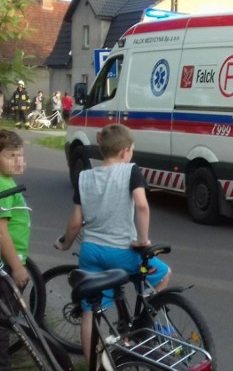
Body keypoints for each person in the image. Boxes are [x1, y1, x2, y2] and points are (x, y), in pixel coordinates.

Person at [55, 123, 171, 361]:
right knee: (163, 274)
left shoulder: (84, 177)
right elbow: (141, 205)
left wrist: (66, 243)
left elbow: (77, 221)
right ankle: (141, 321)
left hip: (91, 252)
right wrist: (142, 239)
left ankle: (93, 366)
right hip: (122, 252)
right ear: (125, 152)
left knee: (90, 312)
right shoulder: (131, 171)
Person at [0, 130, 31, 369]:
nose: (19, 161)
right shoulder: (2, 185)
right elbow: (1, 232)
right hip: (6, 266)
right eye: (12, 155)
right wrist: (18, 267)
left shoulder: (7, 181)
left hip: (10, 262)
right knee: (4, 322)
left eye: (20, 155)